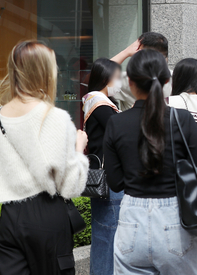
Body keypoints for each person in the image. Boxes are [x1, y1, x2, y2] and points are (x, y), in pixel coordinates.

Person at [0, 40, 89, 274]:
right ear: (44, 72)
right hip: (47, 216)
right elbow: (69, 187)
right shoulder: (55, 118)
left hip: (10, 215)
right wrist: (79, 151)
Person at [103, 49, 197, 274]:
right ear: (166, 81)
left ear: (130, 82)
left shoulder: (115, 123)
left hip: (131, 220)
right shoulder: (181, 119)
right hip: (176, 219)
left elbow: (115, 183)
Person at [82, 58, 123, 275]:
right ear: (107, 79)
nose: (120, 82)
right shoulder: (100, 103)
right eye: (118, 77)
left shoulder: (97, 101)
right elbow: (121, 131)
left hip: (104, 178)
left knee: (104, 234)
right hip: (110, 180)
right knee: (108, 235)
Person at [111, 32, 170, 110]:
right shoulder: (176, 77)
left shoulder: (127, 78)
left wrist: (126, 52)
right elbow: (98, 77)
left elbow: (99, 76)